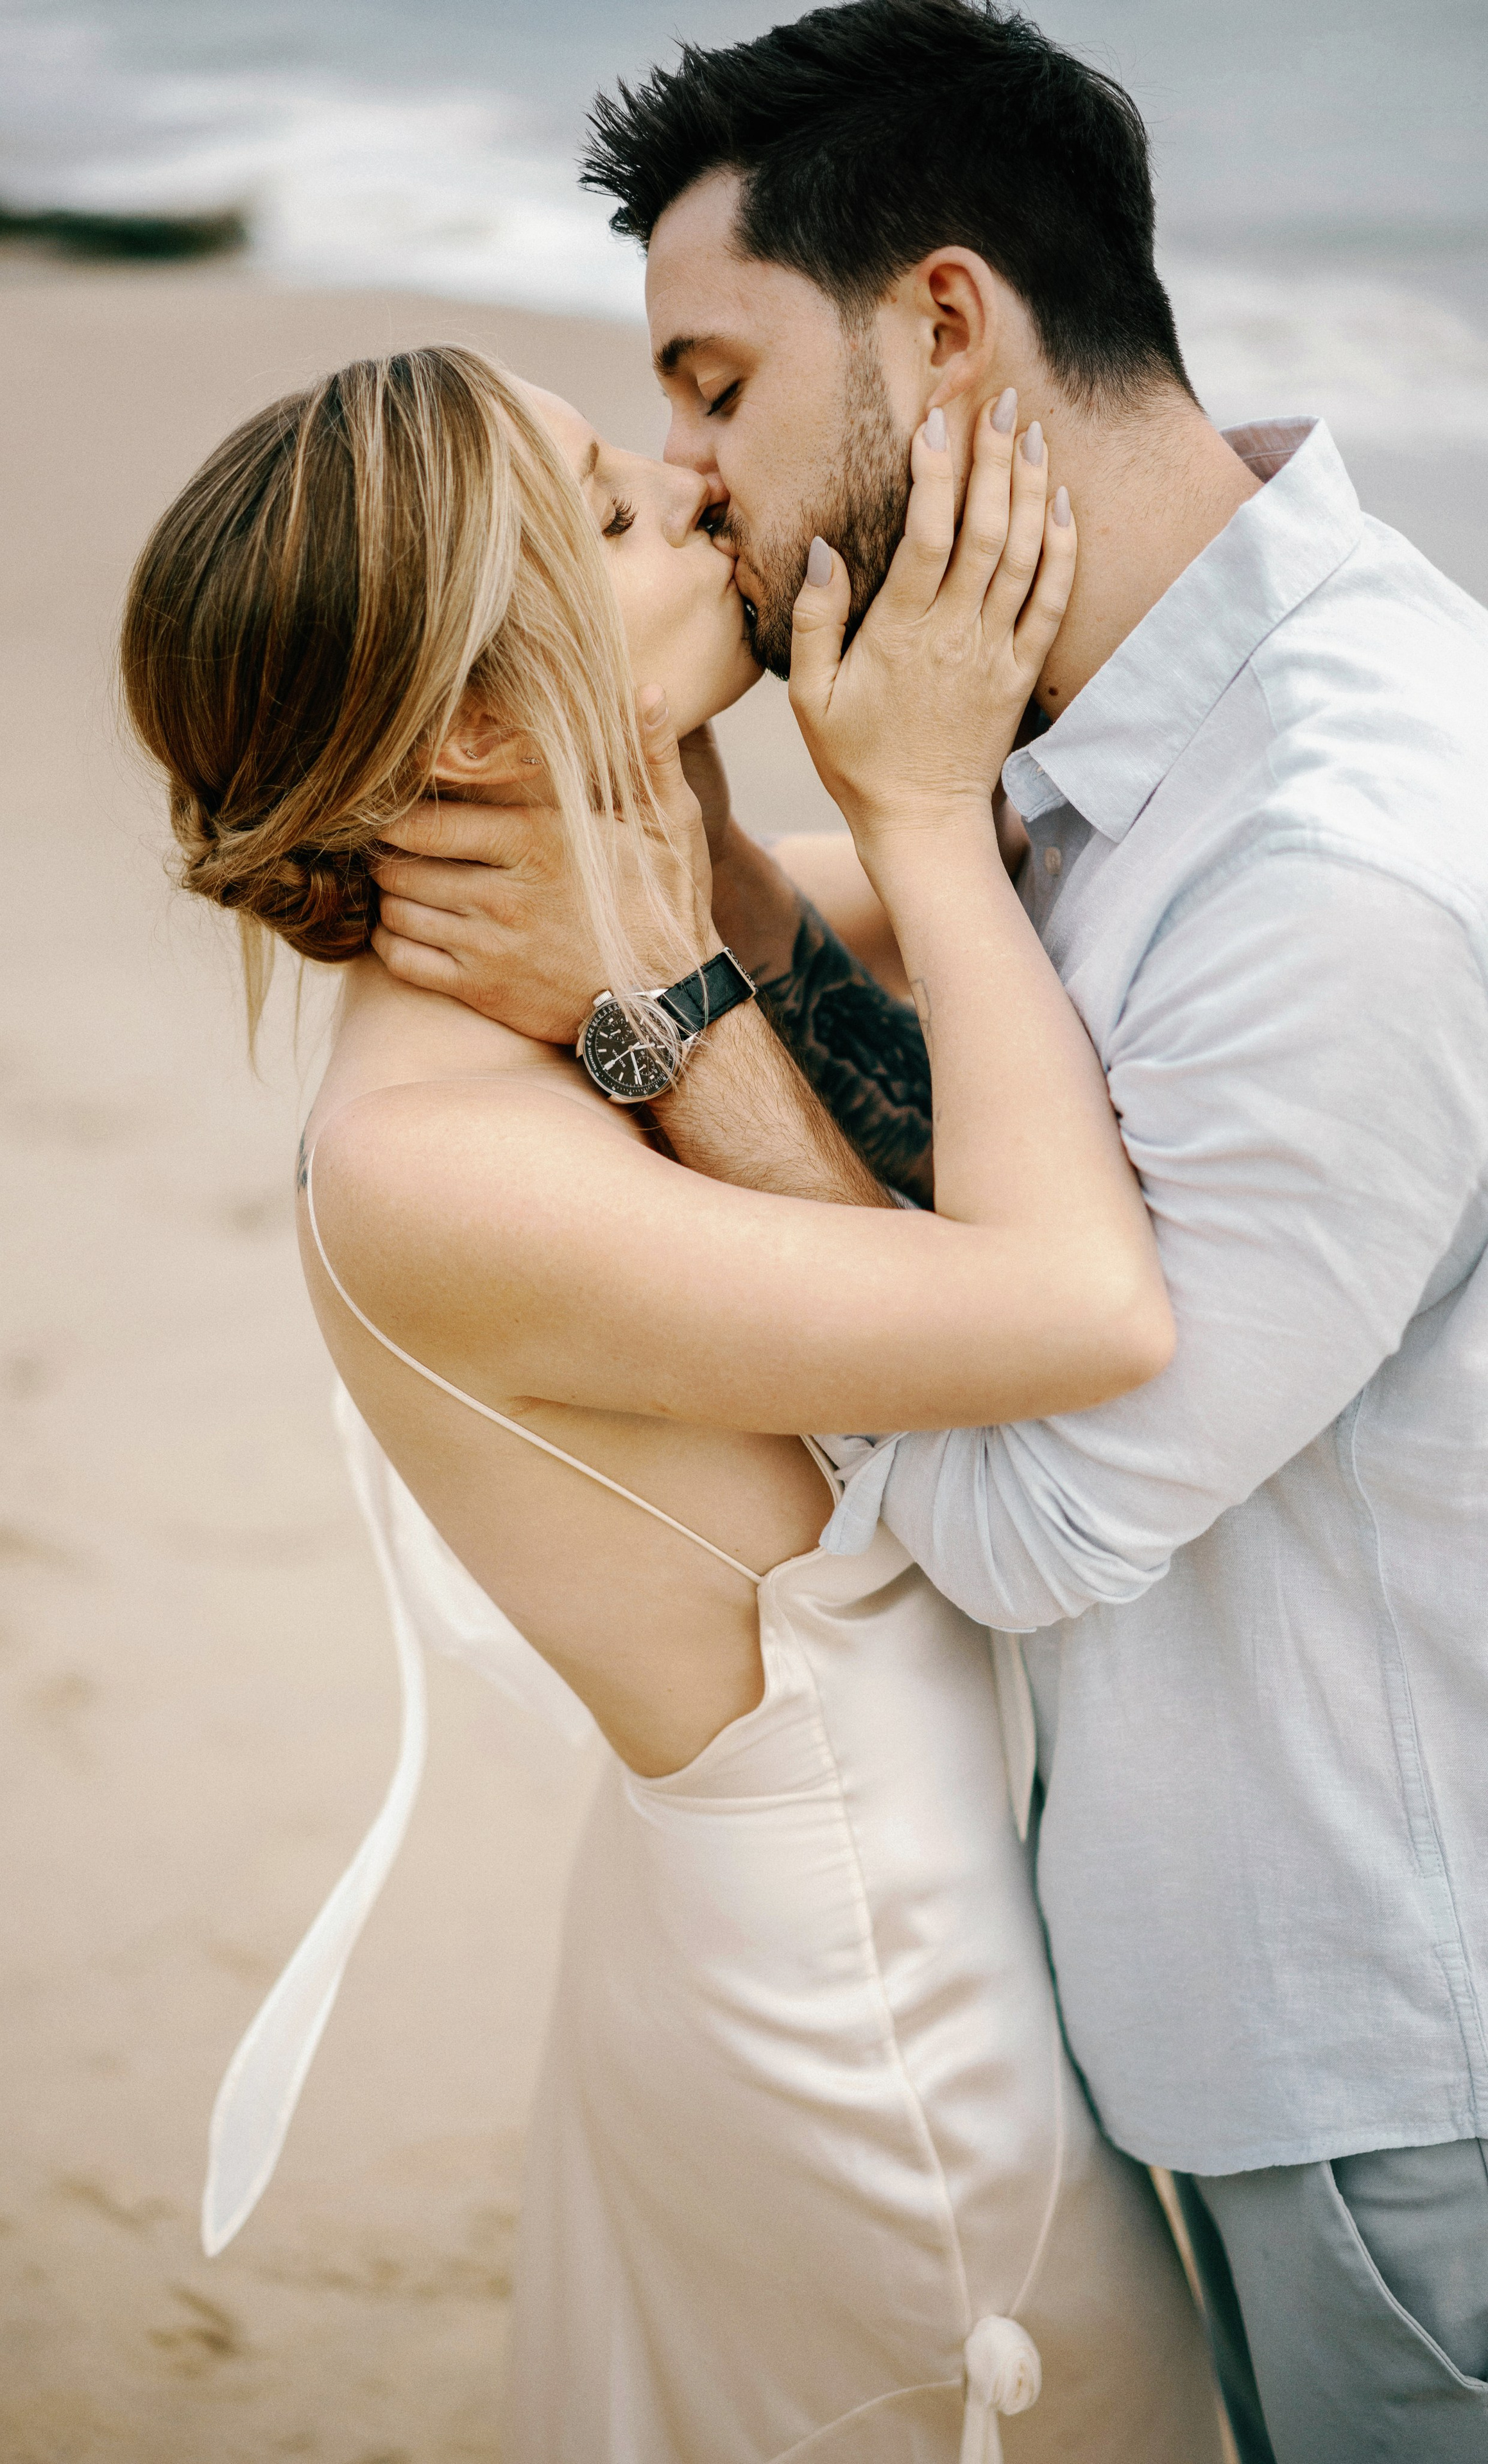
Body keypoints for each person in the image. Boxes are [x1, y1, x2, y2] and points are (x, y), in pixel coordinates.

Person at [364, 6, 1488, 2459]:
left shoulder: (1335, 868)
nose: (690, 477)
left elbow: (1031, 1509)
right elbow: (977, 1149)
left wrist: (675, 999)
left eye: (718, 387)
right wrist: (738, 884)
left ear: (948, 324)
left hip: (1398, 2063)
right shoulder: (1151, 724)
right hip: (1238, 2001)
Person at [121, 345, 1225, 2460]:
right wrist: (891, 821)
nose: (698, 488)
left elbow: (1093, 903)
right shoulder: (438, 1158)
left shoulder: (619, 944)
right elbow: (1086, 1307)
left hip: (890, 1908)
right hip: (873, 2004)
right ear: (468, 728)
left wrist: (779, 818)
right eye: (619, 515)